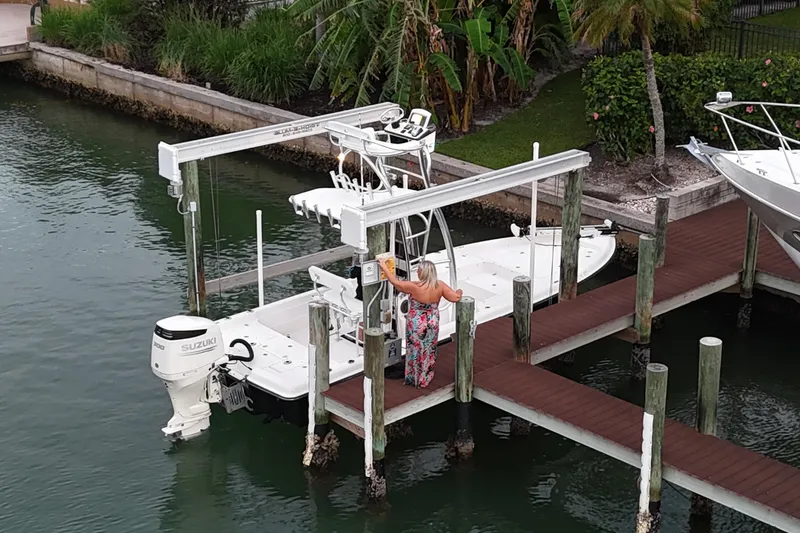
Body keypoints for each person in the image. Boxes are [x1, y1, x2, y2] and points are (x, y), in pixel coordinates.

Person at [377, 258, 463, 388]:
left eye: (418, 270)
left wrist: (384, 266)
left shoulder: (414, 287)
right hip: (432, 321)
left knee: (414, 349)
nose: (417, 272)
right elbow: (455, 298)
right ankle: (425, 378)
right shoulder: (440, 285)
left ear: (423, 273)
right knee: (429, 349)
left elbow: (395, 282)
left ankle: (413, 378)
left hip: (417, 322)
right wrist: (459, 292)